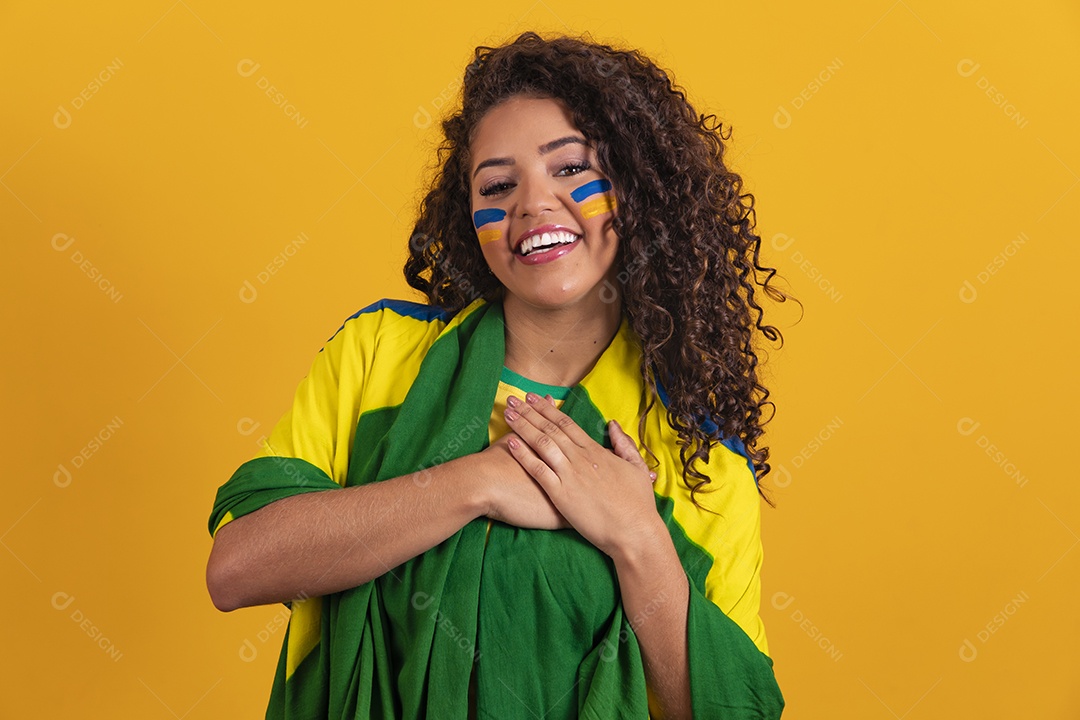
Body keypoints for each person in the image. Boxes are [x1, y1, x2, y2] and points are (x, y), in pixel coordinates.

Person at [206, 30, 794, 719]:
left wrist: (637, 537)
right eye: (499, 184)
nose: (533, 204)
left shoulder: (698, 459)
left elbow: (733, 709)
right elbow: (237, 567)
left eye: (570, 169)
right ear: (471, 213)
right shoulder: (378, 355)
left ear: (635, 187)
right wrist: (477, 483)